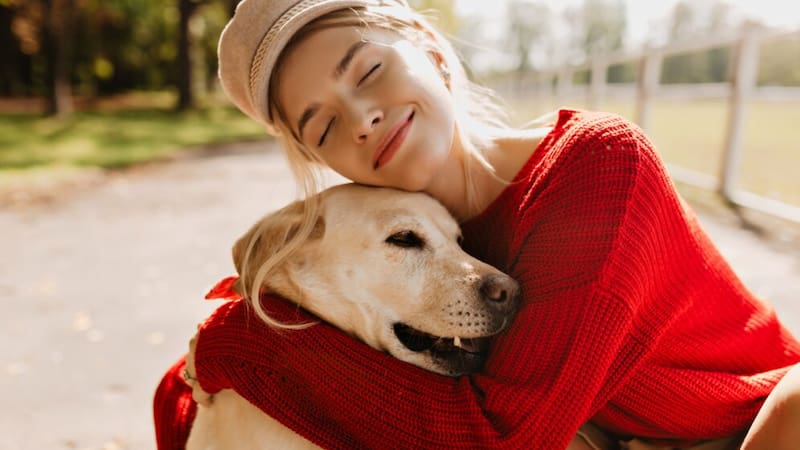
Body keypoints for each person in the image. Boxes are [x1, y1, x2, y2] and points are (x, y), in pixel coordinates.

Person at [153, 0, 800, 448]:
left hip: (751, 423)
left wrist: (249, 345)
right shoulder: (392, 239)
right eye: (321, 125)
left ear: (431, 49)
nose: (361, 119)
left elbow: (501, 440)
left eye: (369, 71)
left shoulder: (597, 168)